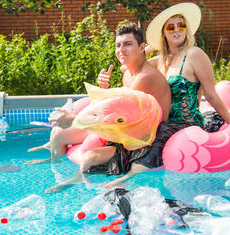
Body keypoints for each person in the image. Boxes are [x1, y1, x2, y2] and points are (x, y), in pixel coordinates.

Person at [31, 24, 184, 193]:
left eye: (127, 44)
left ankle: (76, 179)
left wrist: (74, 120)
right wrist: (104, 87)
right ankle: (54, 164)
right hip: (126, 125)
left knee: (89, 158)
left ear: (141, 48)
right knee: (58, 134)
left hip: (144, 135)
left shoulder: (145, 77)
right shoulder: (129, 73)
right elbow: (120, 106)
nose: (121, 49)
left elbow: (119, 113)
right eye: (118, 45)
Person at [146, 2, 230, 127]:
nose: (177, 29)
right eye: (171, 27)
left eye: (181, 25)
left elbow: (211, 96)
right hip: (165, 125)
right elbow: (128, 68)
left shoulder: (194, 54)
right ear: (164, 33)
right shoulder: (162, 60)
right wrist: (153, 45)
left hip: (187, 127)